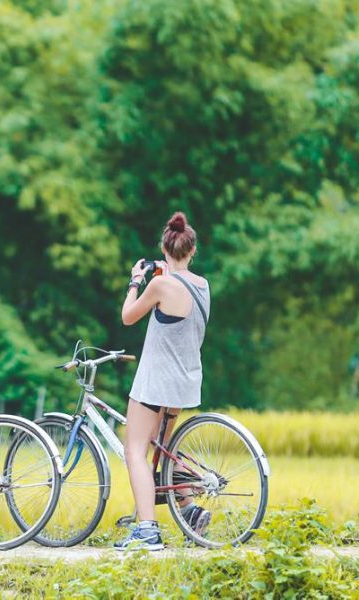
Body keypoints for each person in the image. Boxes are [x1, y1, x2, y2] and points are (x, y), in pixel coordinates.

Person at [115, 211, 210, 551]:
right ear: (193, 250)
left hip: (156, 380)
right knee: (162, 449)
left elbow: (128, 317)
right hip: (185, 381)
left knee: (134, 450)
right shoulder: (202, 285)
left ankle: (146, 529)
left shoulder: (159, 284)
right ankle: (190, 508)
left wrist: (135, 280)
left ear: (164, 247)